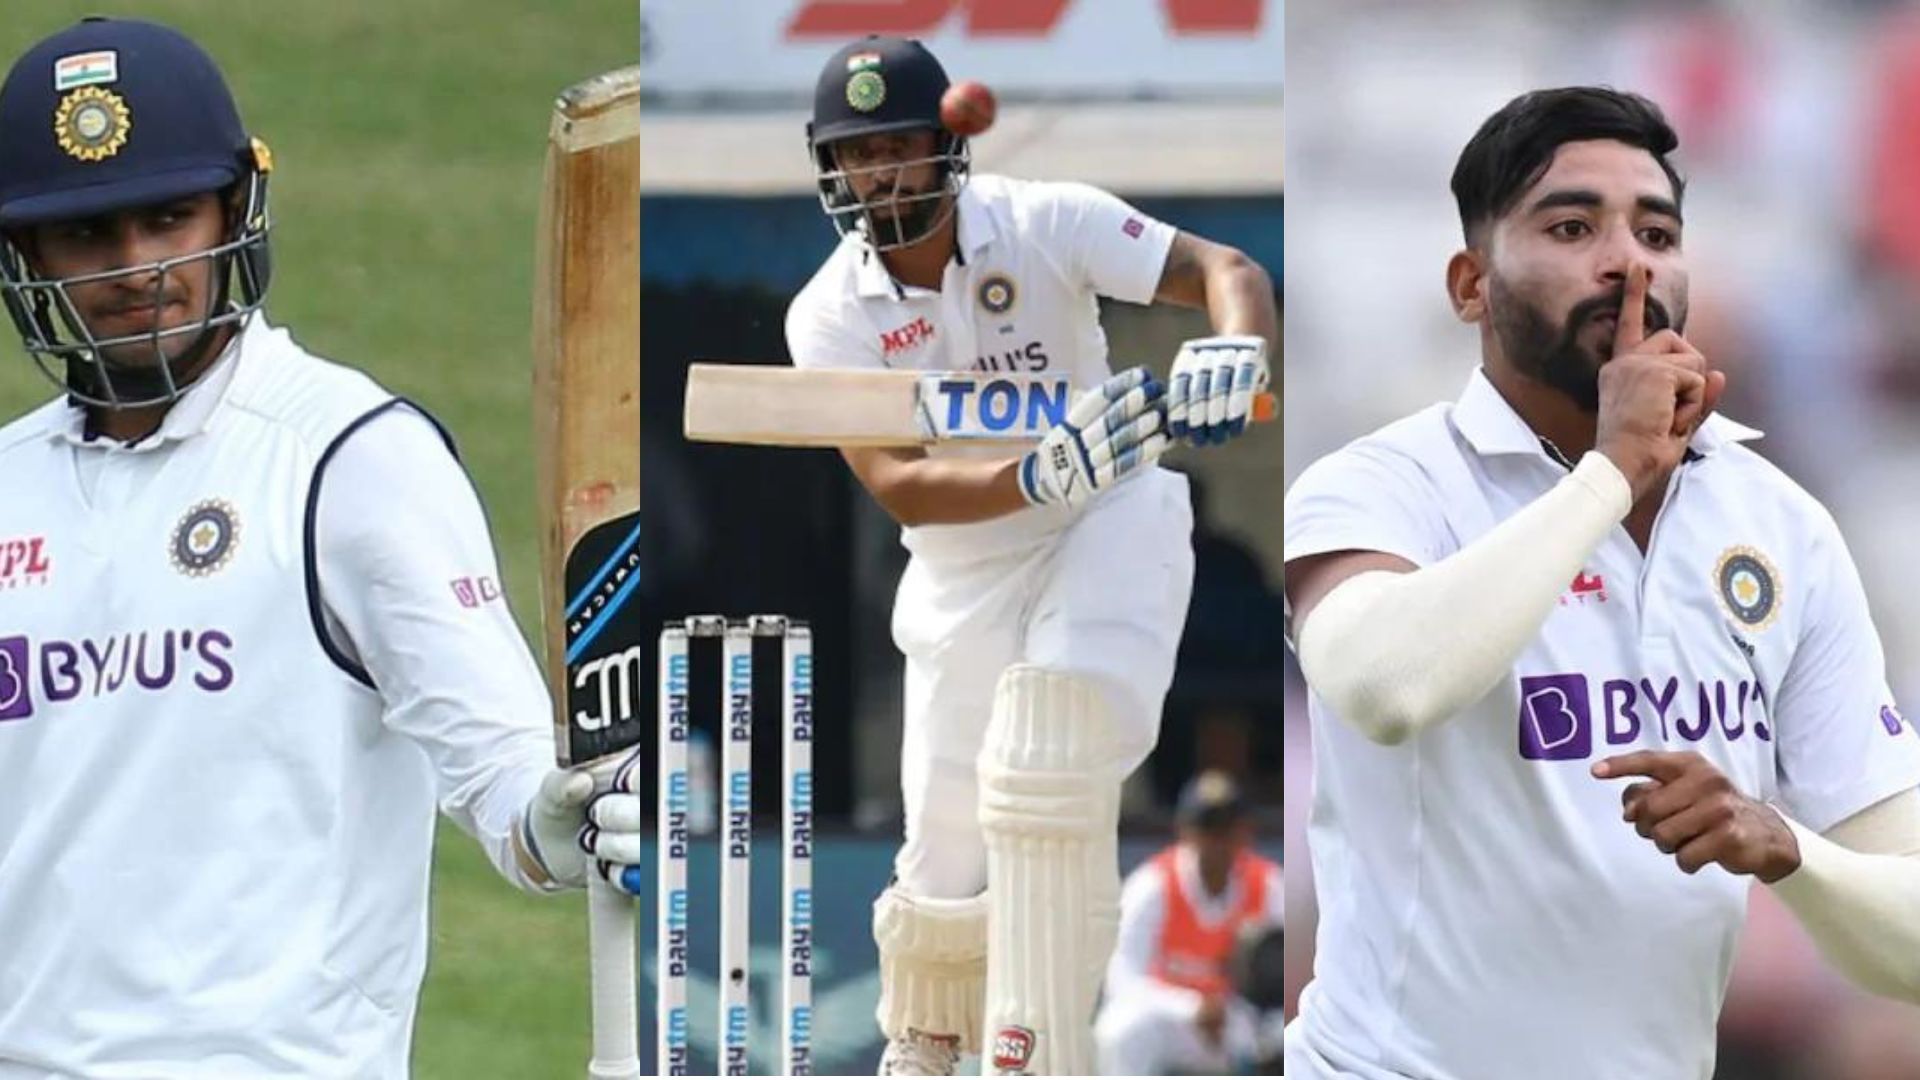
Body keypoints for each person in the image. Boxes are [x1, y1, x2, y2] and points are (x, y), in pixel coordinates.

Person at [0, 18, 640, 1078]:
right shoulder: (10, 485)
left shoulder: (348, 458)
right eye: (86, 235)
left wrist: (564, 817)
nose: (136, 267)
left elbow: (509, 788)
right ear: (25, 255)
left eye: (168, 218)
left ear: (235, 209)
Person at [1282, 86, 1920, 1080]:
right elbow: (1383, 687)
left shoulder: (1782, 526)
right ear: (1470, 285)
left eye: (1657, 231)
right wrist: (1611, 472)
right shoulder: (1382, 485)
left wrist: (1790, 850)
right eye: (1572, 226)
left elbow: (1911, 938)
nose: (1628, 260)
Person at [783, 35, 1276, 1075]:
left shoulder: (1045, 219)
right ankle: (924, 1049)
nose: (880, 174)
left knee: (1046, 758)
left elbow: (1224, 270)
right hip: (963, 554)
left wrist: (1238, 343)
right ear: (833, 169)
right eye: (857, 155)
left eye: (899, 147)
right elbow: (900, 482)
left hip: (1109, 516)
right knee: (944, 847)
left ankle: (1036, 1051)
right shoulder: (828, 313)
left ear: (946, 144)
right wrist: (1028, 476)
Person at [1093, 770, 1282, 1075]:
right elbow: (1122, 980)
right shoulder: (1152, 885)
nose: (1218, 843)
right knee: (1119, 1031)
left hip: (1242, 1022)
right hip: (1174, 1019)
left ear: (1243, 833)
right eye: (1208, 829)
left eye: (1227, 830)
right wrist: (1192, 1008)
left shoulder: (1269, 884)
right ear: (1186, 832)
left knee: (1290, 1036)